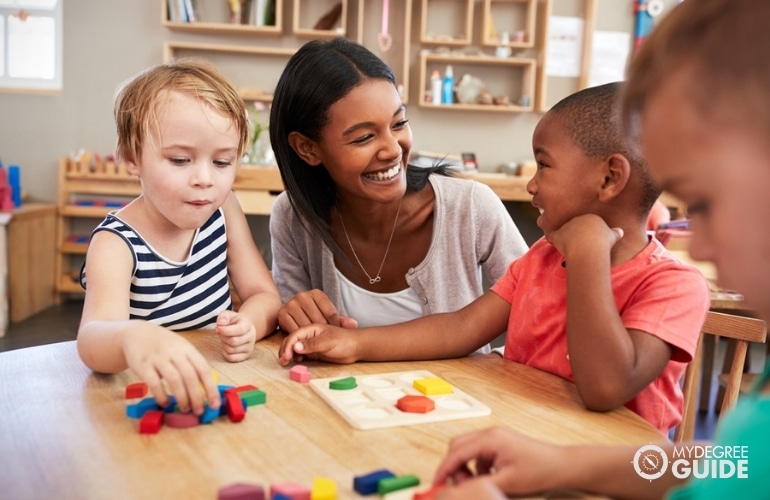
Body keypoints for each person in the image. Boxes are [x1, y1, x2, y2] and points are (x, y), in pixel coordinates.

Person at [432, 0, 770, 498]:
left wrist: (589, 253)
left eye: (704, 200)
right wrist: (561, 466)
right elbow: (728, 466)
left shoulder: (667, 280)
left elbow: (608, 388)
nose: (697, 240)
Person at [278, 80, 711, 433]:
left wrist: (588, 257)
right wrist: (355, 343)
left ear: (610, 177)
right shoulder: (542, 258)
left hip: (613, 472)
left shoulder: (674, 286)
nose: (532, 185)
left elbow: (604, 388)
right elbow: (460, 327)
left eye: (544, 165)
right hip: (524, 440)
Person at [268, 37, 528, 348]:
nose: (393, 150)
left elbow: (540, 312)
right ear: (307, 148)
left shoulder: (471, 207)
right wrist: (289, 316)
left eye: (399, 123)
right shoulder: (293, 217)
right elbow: (294, 339)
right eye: (364, 137)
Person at [78, 59, 281, 415]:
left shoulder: (224, 209)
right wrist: (132, 338)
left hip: (214, 385)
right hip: (143, 395)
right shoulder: (115, 243)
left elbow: (264, 295)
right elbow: (92, 340)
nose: (205, 179)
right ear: (131, 157)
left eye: (221, 163)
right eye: (180, 160)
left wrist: (248, 324)